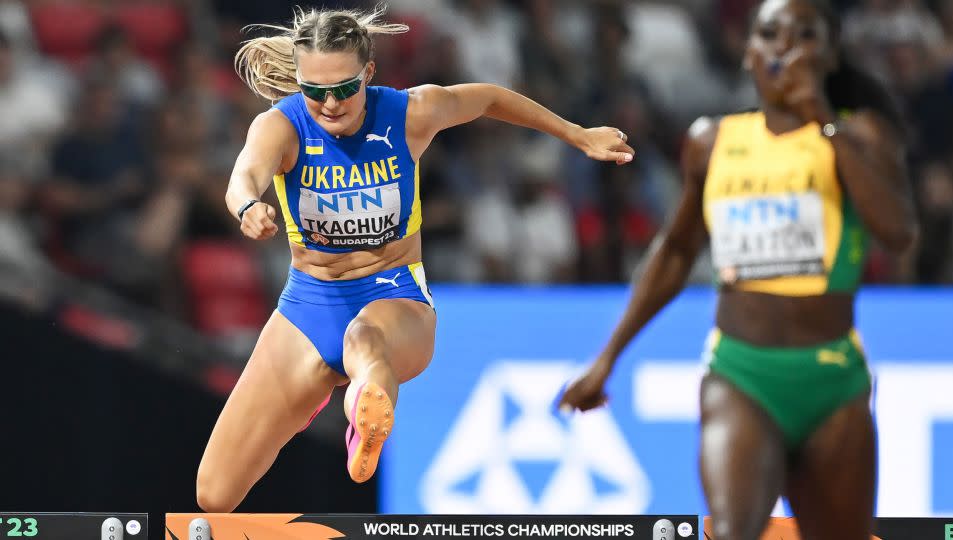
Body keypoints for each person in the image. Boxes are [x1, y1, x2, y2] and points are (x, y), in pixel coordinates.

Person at [195, 6, 634, 513]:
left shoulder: (410, 113)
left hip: (393, 295)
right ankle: (333, 391)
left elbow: (489, 98)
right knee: (214, 492)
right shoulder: (282, 125)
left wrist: (577, 134)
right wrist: (248, 206)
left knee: (364, 338)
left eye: (344, 88)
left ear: (370, 74)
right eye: (315, 91)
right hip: (310, 304)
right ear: (299, 82)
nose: (331, 104)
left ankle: (366, 412)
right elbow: (243, 175)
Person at [559, 0, 917, 538]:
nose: (784, 47)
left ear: (830, 55)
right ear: (748, 53)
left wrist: (822, 119)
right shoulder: (712, 141)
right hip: (740, 373)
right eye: (770, 34)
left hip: (832, 379)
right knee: (730, 531)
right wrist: (607, 358)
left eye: (804, 35)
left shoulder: (859, 135)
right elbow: (677, 250)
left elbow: (899, 232)